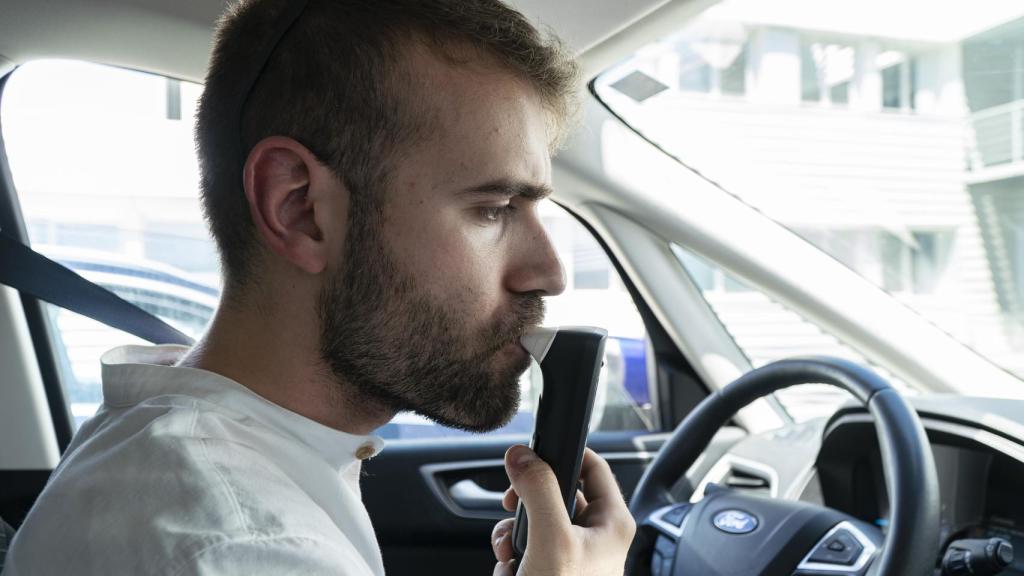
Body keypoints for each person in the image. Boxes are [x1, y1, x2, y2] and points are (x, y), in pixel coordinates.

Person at [2, 0, 636, 574]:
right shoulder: (243, 547)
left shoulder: (188, 455)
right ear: (299, 207)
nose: (548, 271)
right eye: (494, 208)